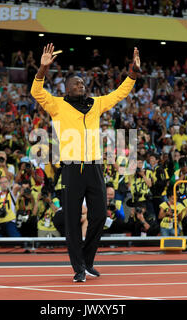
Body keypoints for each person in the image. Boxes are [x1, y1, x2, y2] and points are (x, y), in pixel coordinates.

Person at [30, 43, 140, 282]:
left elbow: (119, 94)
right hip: (71, 167)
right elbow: (37, 93)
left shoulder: (95, 104)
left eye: (82, 83)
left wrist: (132, 73)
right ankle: (78, 267)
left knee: (100, 215)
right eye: (76, 83)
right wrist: (42, 69)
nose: (81, 85)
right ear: (67, 89)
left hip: (94, 167)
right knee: (71, 220)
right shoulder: (57, 105)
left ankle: (87, 260)